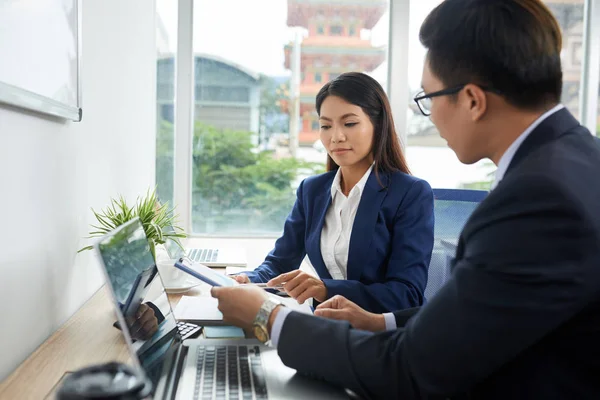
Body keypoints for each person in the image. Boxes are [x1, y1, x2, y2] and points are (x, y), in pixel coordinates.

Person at [211, 0, 600, 398]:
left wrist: (268, 317)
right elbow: (481, 313)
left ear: (471, 100)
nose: (429, 115)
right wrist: (382, 324)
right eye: (326, 125)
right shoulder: (575, 163)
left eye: (429, 99)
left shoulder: (539, 198)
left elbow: (410, 370)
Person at [233, 72, 434, 313]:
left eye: (349, 123)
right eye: (325, 125)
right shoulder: (312, 190)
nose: (336, 137)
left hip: (381, 333)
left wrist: (326, 288)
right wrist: (248, 278)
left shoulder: (410, 193)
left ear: (378, 124)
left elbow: (407, 294)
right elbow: (279, 263)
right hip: (326, 324)